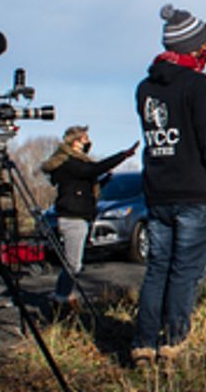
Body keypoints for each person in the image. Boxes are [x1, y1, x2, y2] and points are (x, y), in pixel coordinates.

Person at [132, 4, 206, 363]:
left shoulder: (146, 88)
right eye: (204, 43)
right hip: (197, 196)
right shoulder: (200, 87)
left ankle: (143, 342)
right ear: (196, 46)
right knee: (184, 273)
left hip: (159, 194)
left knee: (157, 270)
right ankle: (173, 341)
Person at [40, 126, 138, 305]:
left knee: (73, 262)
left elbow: (85, 179)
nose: (88, 142)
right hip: (73, 218)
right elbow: (93, 169)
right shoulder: (71, 163)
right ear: (76, 141)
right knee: (73, 264)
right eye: (85, 138)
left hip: (79, 217)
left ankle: (63, 293)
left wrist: (103, 180)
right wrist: (123, 155)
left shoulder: (74, 164)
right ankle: (61, 296)